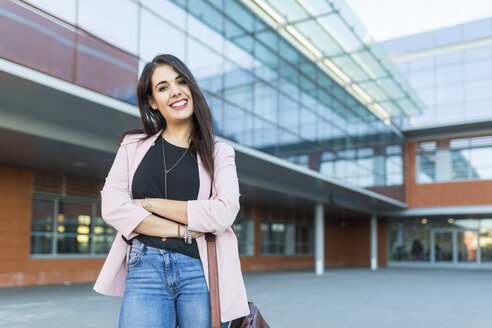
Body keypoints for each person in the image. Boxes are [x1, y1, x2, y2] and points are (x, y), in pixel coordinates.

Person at [93, 54, 249, 328]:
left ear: (191, 88)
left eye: (180, 82)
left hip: (200, 269)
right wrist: (184, 229)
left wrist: (146, 204)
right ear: (153, 101)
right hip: (145, 265)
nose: (175, 91)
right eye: (163, 87)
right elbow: (113, 206)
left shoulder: (219, 152)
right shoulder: (132, 146)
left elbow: (223, 214)